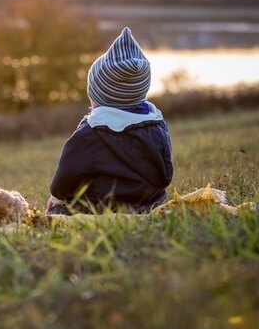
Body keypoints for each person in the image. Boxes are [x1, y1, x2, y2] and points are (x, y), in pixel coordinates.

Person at [47, 27, 173, 215]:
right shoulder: (156, 123)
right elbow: (165, 174)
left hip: (102, 208)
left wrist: (56, 197)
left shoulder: (91, 132)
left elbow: (65, 178)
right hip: (151, 203)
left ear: (101, 96)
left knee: (58, 210)